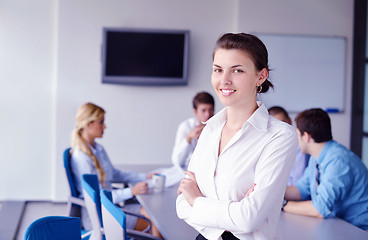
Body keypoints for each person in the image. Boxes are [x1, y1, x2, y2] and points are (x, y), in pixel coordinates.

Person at [176, 33, 298, 240]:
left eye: (237, 70)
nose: (224, 80)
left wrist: (196, 200)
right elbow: (181, 205)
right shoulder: (210, 130)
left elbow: (248, 218)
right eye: (218, 70)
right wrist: (233, 210)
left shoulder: (280, 136)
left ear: (261, 76)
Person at [70, 102, 162, 237]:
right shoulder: (81, 157)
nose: (105, 126)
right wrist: (131, 191)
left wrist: (144, 176)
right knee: (154, 222)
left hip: (111, 206)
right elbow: (98, 197)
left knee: (153, 215)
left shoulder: (98, 149)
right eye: (101, 122)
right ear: (88, 124)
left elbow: (115, 174)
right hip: (99, 214)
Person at [283, 108, 368, 230]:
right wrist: (272, 191)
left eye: (297, 134)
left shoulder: (338, 160)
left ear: (306, 136)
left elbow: (319, 209)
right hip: (339, 224)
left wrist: (284, 205)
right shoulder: (316, 157)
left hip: (359, 229)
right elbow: (300, 190)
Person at [171, 91, 215, 169]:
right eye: (203, 110)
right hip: (187, 172)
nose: (208, 114)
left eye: (210, 109)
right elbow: (177, 162)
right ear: (195, 111)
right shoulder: (186, 126)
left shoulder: (219, 127)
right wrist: (188, 138)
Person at [268, 106, 310, 185]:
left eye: (283, 123)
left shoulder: (299, 145)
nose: (280, 129)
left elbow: (296, 181)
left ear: (290, 121)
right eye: (275, 125)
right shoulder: (269, 145)